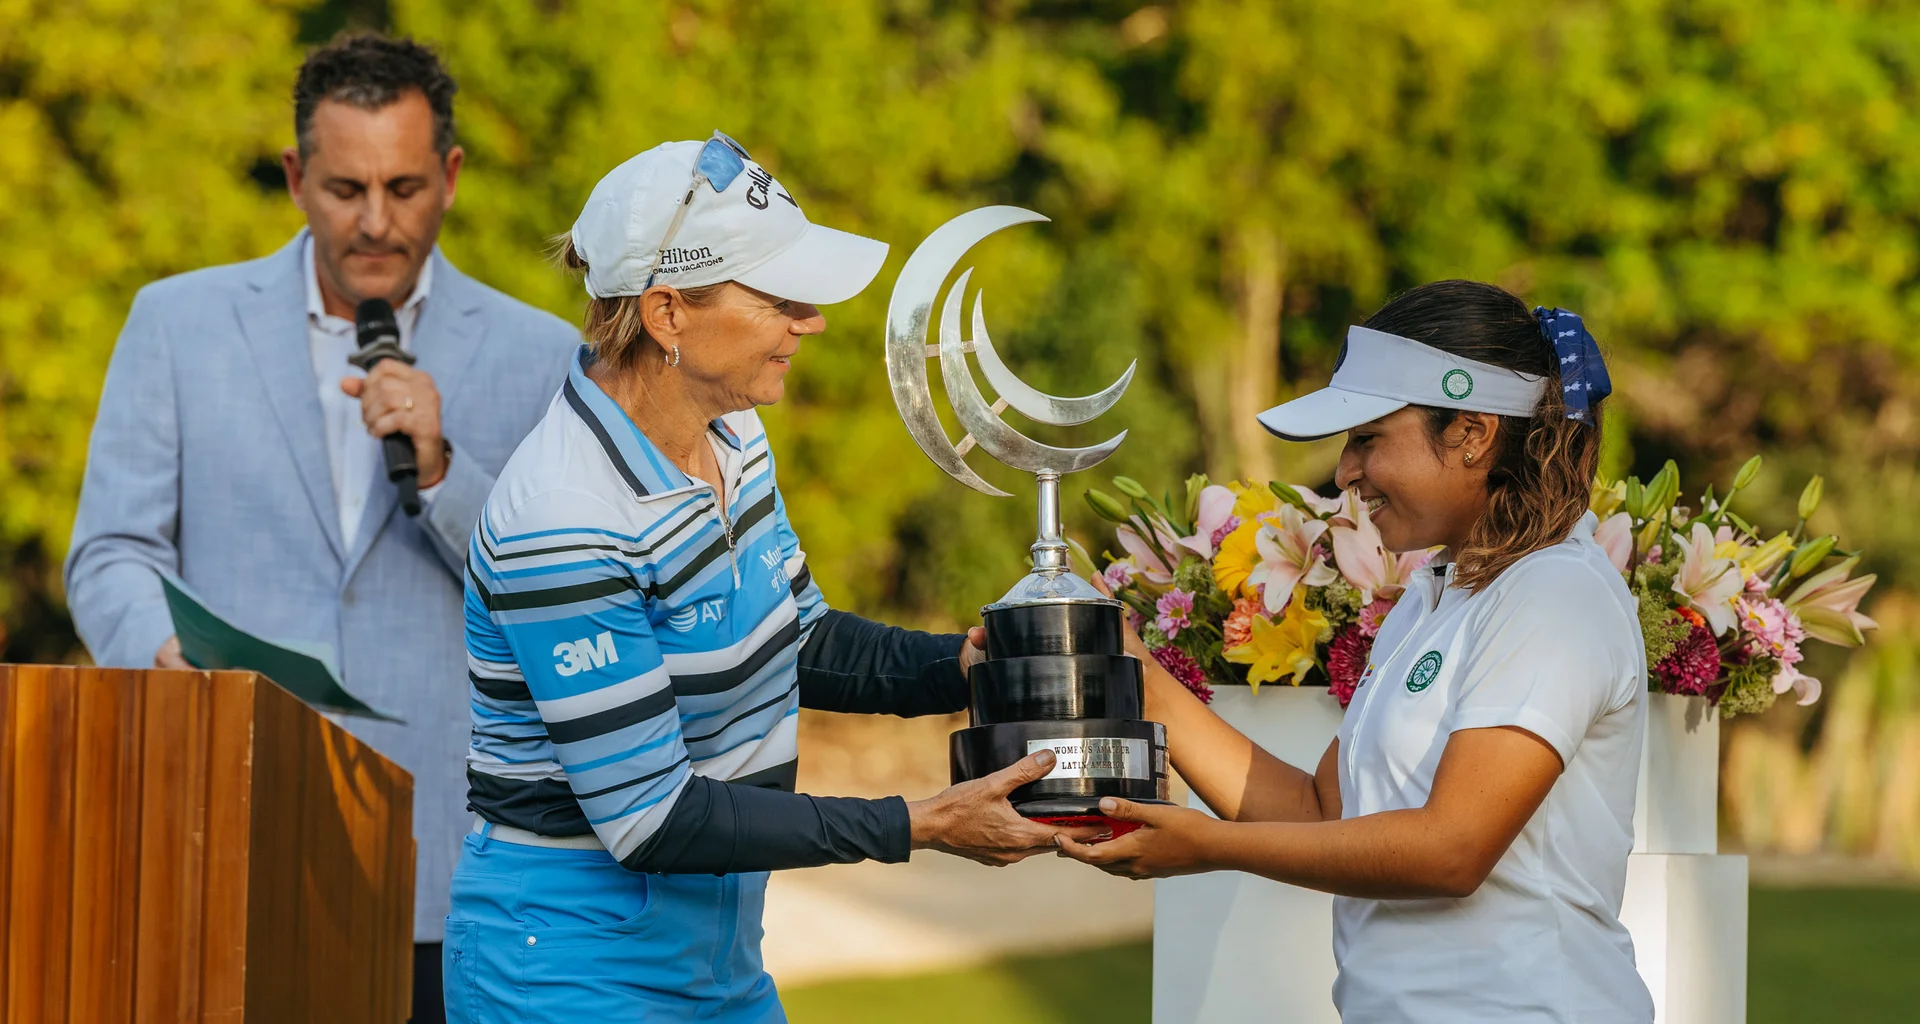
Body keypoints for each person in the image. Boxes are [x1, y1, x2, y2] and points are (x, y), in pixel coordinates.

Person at [447, 133, 1094, 1022]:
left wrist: (972, 669)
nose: (812, 318)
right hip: (564, 962)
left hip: (719, 956)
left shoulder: (733, 433)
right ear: (669, 314)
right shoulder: (561, 517)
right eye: (781, 295)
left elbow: (797, 638)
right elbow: (653, 822)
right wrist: (919, 823)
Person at [63, 34, 580, 1022]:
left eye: (404, 186)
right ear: (298, 177)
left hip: (450, 876)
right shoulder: (176, 324)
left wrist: (440, 471)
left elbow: (562, 598)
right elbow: (111, 551)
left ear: (452, 177)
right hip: (224, 836)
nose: (377, 221)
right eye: (346, 189)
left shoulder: (539, 355)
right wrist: (161, 651)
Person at [1060, 280, 1657, 1022]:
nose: (1344, 472)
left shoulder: (1555, 595)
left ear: (1471, 433)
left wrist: (1210, 848)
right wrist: (1138, 678)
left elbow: (1451, 851)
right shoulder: (1435, 595)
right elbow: (1319, 812)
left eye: (1367, 439)